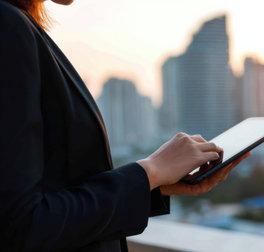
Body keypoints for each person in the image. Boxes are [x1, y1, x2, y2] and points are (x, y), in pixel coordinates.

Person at [0, 0, 250, 251]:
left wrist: (152, 185)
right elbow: (21, 226)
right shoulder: (8, 24)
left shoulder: (20, 24)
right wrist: (149, 171)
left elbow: (53, 190)